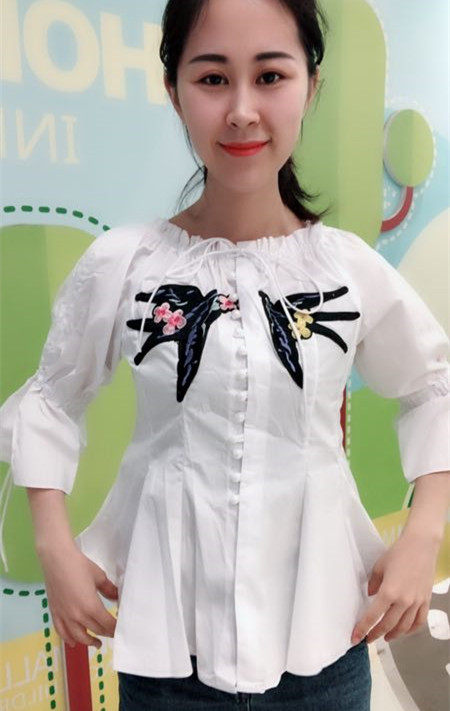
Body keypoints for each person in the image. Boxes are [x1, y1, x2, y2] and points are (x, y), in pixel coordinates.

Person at [0, 0, 449, 709]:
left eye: (270, 76)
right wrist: (55, 547)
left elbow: (433, 386)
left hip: (324, 651)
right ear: (174, 89)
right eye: (212, 78)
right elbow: (51, 398)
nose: (242, 111)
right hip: (166, 657)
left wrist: (423, 533)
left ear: (311, 86)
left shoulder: (345, 269)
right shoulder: (126, 264)